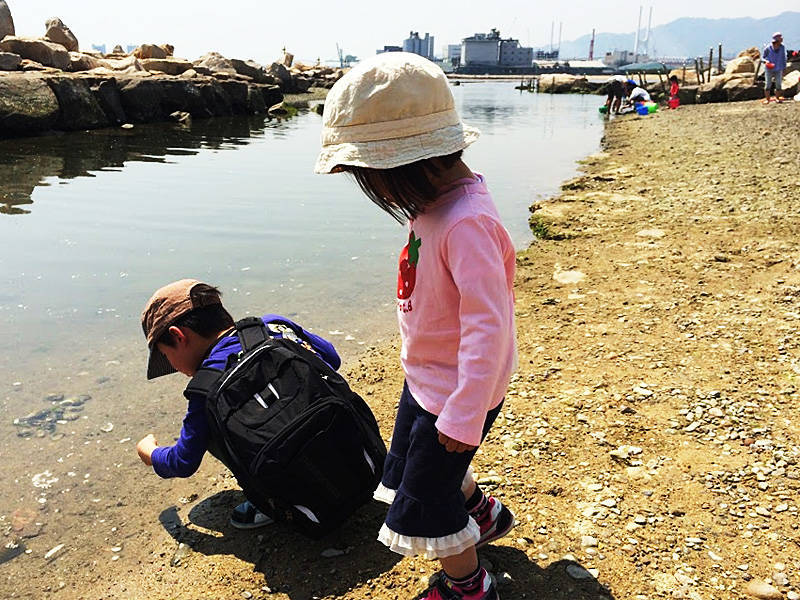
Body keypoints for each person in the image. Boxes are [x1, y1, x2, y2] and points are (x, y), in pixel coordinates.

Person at [315, 52, 516, 600]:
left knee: (429, 497)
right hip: (430, 376)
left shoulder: (466, 221)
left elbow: (489, 329)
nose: (377, 192)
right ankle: (486, 514)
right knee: (412, 466)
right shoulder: (438, 201)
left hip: (458, 388)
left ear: (406, 164)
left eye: (373, 178)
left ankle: (467, 587)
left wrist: (465, 413)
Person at [136, 279, 341, 529]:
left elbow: (183, 462)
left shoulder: (205, 388)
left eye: (167, 357)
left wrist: (149, 452)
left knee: (214, 424)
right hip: (361, 458)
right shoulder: (274, 324)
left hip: (310, 507)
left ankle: (274, 502)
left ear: (178, 337)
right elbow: (332, 358)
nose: (176, 369)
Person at [763, 32, 787, 104]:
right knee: (768, 84)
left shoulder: (782, 47)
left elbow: (783, 57)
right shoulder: (768, 48)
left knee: (778, 84)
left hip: (778, 68)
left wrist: (784, 67)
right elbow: (763, 58)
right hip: (769, 68)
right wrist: (766, 62)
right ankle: (768, 99)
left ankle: (777, 98)